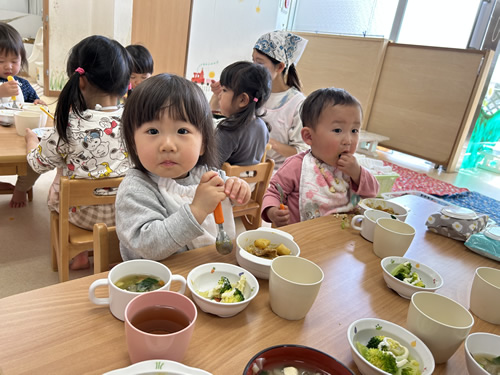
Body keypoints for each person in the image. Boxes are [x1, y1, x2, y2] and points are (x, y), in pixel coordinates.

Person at [116, 73, 251, 261]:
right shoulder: (136, 188)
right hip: (156, 281)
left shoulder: (208, 175)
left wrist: (238, 188)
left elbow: (229, 195)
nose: (168, 145)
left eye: (182, 131)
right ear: (133, 142)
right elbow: (147, 246)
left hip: (206, 273)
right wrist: (197, 211)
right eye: (153, 131)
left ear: (203, 142)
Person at [25, 35, 132, 270]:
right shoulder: (135, 120)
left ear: (80, 82)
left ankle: (81, 254)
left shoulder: (69, 123)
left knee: (60, 183)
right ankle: (114, 250)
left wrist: (32, 141)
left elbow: (38, 163)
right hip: (128, 211)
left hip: (82, 217)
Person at [261, 87, 380, 227]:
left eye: (354, 130)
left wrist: (357, 173)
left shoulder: (352, 169)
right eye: (337, 130)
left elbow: (372, 192)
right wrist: (272, 211)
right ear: (309, 136)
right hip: (302, 237)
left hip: (343, 235)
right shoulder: (297, 166)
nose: (348, 140)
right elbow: (274, 192)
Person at [0, 22, 46, 208]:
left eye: (14, 61)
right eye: (1, 61)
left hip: (19, 133)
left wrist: (37, 103)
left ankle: (21, 188)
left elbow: (32, 101)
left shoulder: (23, 84)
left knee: (38, 155)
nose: (8, 67)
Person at [216, 61, 271, 167]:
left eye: (224, 90)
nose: (219, 95)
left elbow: (209, 164)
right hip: (250, 183)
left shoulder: (229, 129)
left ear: (242, 100)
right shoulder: (263, 126)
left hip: (227, 182)